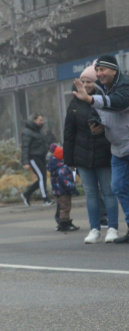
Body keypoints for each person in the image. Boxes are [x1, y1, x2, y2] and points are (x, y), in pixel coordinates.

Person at [73, 54, 129, 243]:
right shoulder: (103, 89)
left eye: (102, 69)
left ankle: (116, 227)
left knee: (115, 188)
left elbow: (119, 104)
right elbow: (105, 113)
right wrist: (98, 122)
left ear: (114, 70)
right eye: (97, 70)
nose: (99, 73)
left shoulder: (124, 85)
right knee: (118, 186)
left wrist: (90, 99)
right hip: (117, 148)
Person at [64, 65, 119, 243]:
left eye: (89, 81)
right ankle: (94, 229)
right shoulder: (74, 103)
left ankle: (112, 228)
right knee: (91, 194)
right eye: (83, 81)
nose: (86, 84)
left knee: (109, 192)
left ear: (96, 83)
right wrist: (69, 159)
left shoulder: (104, 100)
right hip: (82, 156)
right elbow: (69, 133)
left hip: (104, 153)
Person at [20, 112, 53, 206]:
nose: (42, 122)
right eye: (40, 120)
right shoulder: (27, 132)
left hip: (41, 157)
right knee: (42, 177)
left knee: (42, 178)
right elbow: (25, 147)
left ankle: (26, 194)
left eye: (42, 120)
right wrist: (25, 162)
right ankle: (45, 199)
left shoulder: (39, 131)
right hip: (33, 157)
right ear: (34, 120)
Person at [48, 146, 79, 232]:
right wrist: (73, 188)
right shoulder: (61, 169)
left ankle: (65, 222)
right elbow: (65, 181)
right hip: (63, 191)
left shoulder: (56, 166)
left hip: (60, 191)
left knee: (64, 206)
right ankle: (64, 223)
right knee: (65, 207)